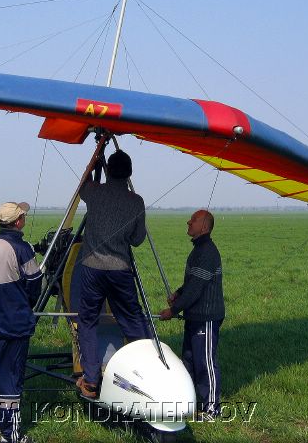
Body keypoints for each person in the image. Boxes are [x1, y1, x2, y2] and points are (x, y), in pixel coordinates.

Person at [74, 149, 151, 398]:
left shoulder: (95, 192)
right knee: (131, 319)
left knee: (87, 320)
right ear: (129, 174)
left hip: (92, 267)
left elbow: (83, 185)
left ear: (108, 171)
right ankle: (148, 370)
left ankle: (91, 379)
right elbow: (138, 239)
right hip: (120, 269)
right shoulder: (136, 201)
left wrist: (95, 159)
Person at [0, 202, 42, 443]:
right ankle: (10, 436)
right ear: (18, 222)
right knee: (11, 378)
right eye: (23, 215)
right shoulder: (22, 249)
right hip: (15, 324)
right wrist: (23, 304)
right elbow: (35, 283)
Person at [159, 210, 224, 420]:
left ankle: (212, 410)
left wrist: (173, 310)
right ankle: (188, 403)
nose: (188, 222)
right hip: (194, 316)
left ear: (204, 226)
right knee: (189, 360)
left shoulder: (207, 252)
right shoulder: (197, 250)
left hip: (206, 317)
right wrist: (178, 293)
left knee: (205, 363)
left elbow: (195, 290)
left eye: (193, 220)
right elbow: (191, 283)